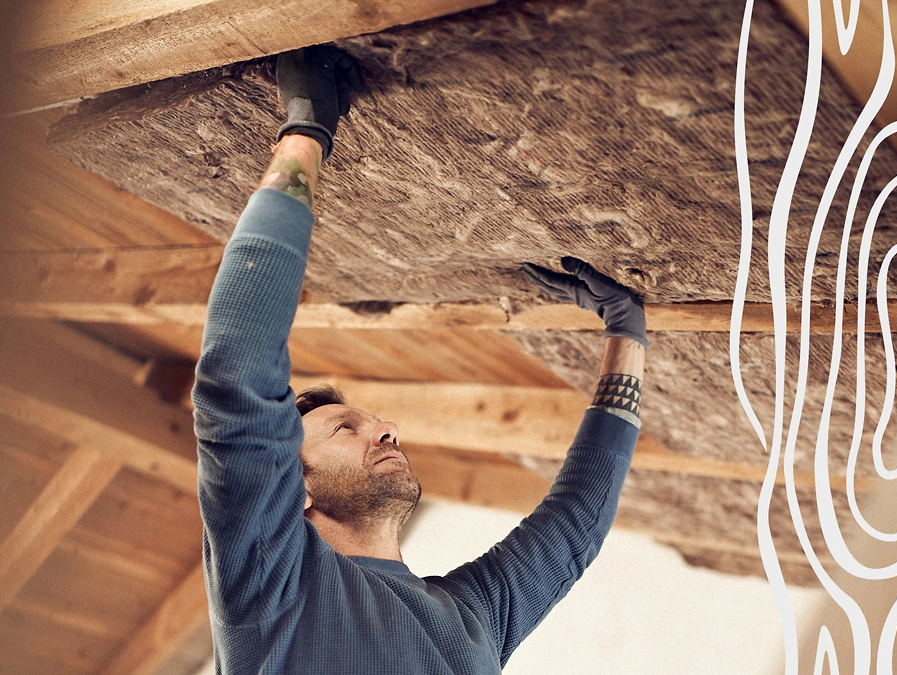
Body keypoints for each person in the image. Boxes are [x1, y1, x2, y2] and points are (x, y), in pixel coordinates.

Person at [192, 44, 648, 675]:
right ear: (288, 491)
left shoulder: (444, 615)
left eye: (358, 422)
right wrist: (628, 340)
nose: (386, 427)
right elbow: (576, 533)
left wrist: (304, 131)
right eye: (345, 429)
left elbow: (238, 366)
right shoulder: (272, 602)